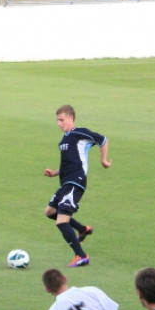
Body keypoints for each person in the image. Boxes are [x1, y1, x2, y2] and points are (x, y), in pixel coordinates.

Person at [42, 104, 109, 268]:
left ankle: (81, 256)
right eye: (57, 120)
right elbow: (68, 163)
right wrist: (54, 173)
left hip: (75, 181)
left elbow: (103, 140)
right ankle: (82, 229)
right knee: (50, 212)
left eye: (61, 120)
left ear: (71, 118)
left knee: (61, 222)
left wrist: (103, 160)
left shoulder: (80, 133)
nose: (59, 123)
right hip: (65, 182)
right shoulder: (64, 140)